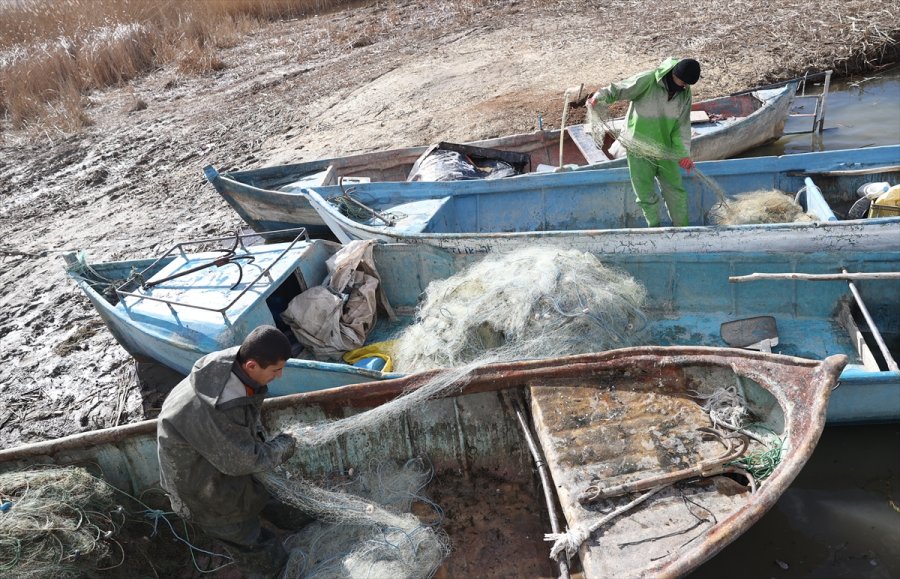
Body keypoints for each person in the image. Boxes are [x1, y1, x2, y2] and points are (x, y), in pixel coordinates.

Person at [157, 325, 302, 578]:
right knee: (248, 539)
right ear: (252, 366)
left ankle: (291, 517)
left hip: (222, 454)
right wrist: (284, 444)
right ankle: (273, 570)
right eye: (276, 370)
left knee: (268, 491)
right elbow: (244, 462)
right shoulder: (216, 409)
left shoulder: (234, 362)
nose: (280, 376)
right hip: (201, 486)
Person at [587, 57, 701, 227]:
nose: (684, 87)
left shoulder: (685, 92)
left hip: (666, 150)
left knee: (676, 192)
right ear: (673, 74)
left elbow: (682, 125)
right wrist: (599, 97)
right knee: (645, 195)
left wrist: (683, 153)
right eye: (682, 82)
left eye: (687, 85)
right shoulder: (648, 80)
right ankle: (654, 230)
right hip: (638, 148)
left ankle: (682, 230)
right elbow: (618, 89)